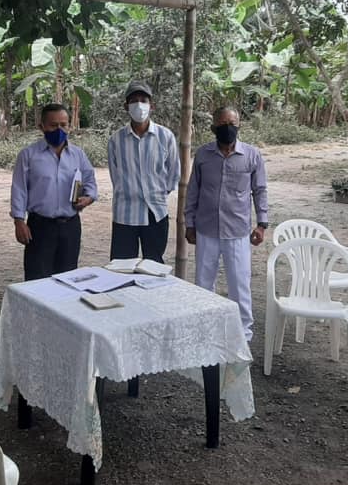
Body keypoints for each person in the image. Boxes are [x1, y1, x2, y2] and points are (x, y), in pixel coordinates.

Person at [184, 108, 269, 341]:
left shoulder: (252, 155)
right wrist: (189, 223)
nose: (227, 127)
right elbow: (193, 190)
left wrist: (262, 224)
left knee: (239, 284)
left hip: (237, 232)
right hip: (206, 230)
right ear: (213, 127)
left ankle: (243, 334)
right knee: (203, 283)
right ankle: (204, 330)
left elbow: (260, 190)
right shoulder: (203, 155)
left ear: (239, 125)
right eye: (222, 123)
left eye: (232, 123)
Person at [10, 103, 98, 279]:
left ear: (69, 126)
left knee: (68, 277)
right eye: (53, 125)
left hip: (70, 225)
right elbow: (19, 189)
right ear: (41, 126)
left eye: (63, 125)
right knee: (37, 278)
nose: (59, 129)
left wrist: (88, 198)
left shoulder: (78, 155)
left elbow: (90, 181)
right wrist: (19, 222)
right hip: (40, 227)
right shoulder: (28, 155)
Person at [107, 81, 180, 263]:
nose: (139, 105)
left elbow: (173, 173)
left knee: (153, 265)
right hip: (125, 214)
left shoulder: (165, 136)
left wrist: (158, 193)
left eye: (143, 100)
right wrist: (130, 191)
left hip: (156, 212)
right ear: (126, 106)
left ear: (151, 105)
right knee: (121, 266)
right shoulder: (116, 140)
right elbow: (115, 176)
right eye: (133, 101)